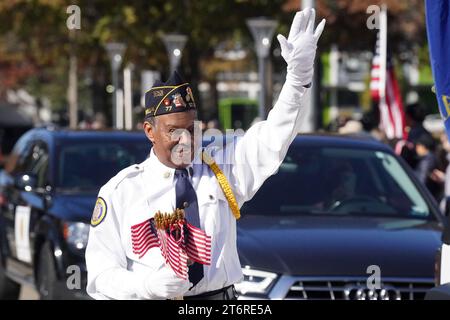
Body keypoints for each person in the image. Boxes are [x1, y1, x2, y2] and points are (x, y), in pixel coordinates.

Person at [85, 8, 325, 300]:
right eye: (173, 130)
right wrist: (144, 286)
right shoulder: (122, 190)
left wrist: (298, 80)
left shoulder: (220, 169)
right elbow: (100, 277)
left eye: (192, 128)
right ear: (149, 131)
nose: (185, 139)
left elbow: (274, 135)